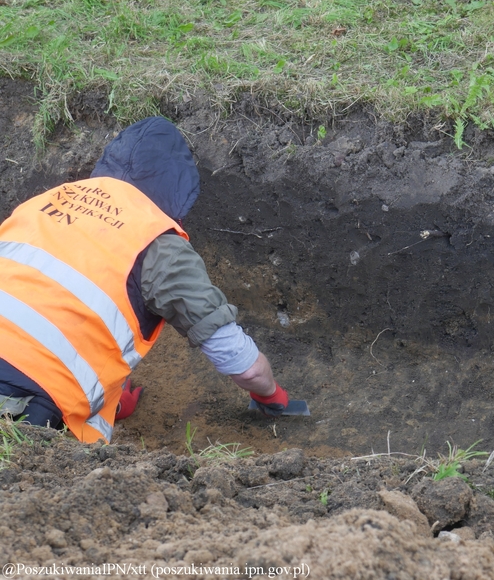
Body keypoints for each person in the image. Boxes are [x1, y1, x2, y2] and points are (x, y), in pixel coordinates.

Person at [0, 116, 289, 443]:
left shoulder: (42, 204)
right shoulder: (161, 248)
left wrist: (107, 397)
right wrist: (273, 396)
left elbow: (59, 303)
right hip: (24, 404)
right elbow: (244, 365)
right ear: (176, 190)